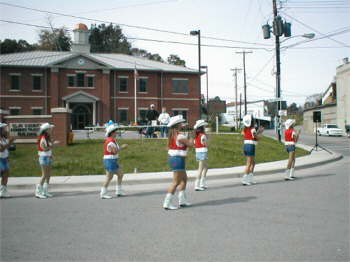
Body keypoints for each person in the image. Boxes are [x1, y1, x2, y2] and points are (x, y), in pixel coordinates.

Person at [163, 115, 193, 210]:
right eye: (180, 123)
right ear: (177, 125)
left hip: (176, 158)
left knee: (184, 179)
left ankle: (182, 200)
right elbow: (191, 144)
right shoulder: (179, 136)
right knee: (176, 182)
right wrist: (192, 137)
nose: (182, 124)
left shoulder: (173, 135)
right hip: (178, 159)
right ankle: (167, 203)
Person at [100, 124, 128, 199]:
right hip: (110, 161)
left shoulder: (112, 140)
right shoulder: (110, 141)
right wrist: (123, 147)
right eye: (115, 131)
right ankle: (103, 193)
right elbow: (115, 152)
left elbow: (114, 152)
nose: (116, 133)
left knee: (120, 174)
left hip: (111, 160)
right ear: (112, 133)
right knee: (109, 177)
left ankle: (118, 191)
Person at [35, 123, 59, 199]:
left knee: (48, 175)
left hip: (47, 157)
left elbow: (47, 148)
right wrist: (53, 145)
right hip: (43, 157)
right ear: (46, 130)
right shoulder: (42, 138)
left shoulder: (46, 137)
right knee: (44, 175)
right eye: (49, 129)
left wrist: (51, 155)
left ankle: (45, 191)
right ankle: (38, 192)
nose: (51, 130)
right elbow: (44, 149)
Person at [241, 115, 264, 186]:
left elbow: (246, 134)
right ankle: (245, 180)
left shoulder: (244, 129)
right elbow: (256, 137)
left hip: (245, 145)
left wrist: (258, 132)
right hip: (251, 146)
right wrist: (260, 132)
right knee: (249, 163)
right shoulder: (253, 129)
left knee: (253, 163)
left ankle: (250, 179)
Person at [0, 123, 15, 198]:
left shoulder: (4, 138)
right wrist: (10, 142)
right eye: (4, 129)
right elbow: (1, 149)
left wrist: (10, 143)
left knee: (5, 175)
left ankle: (3, 191)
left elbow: (6, 149)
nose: (5, 130)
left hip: (5, 159)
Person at [193, 120, 209, 191]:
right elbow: (205, 144)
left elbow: (194, 144)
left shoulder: (196, 136)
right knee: (201, 168)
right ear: (202, 127)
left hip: (198, 152)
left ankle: (202, 183)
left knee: (205, 167)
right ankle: (197, 185)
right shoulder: (203, 135)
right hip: (203, 152)